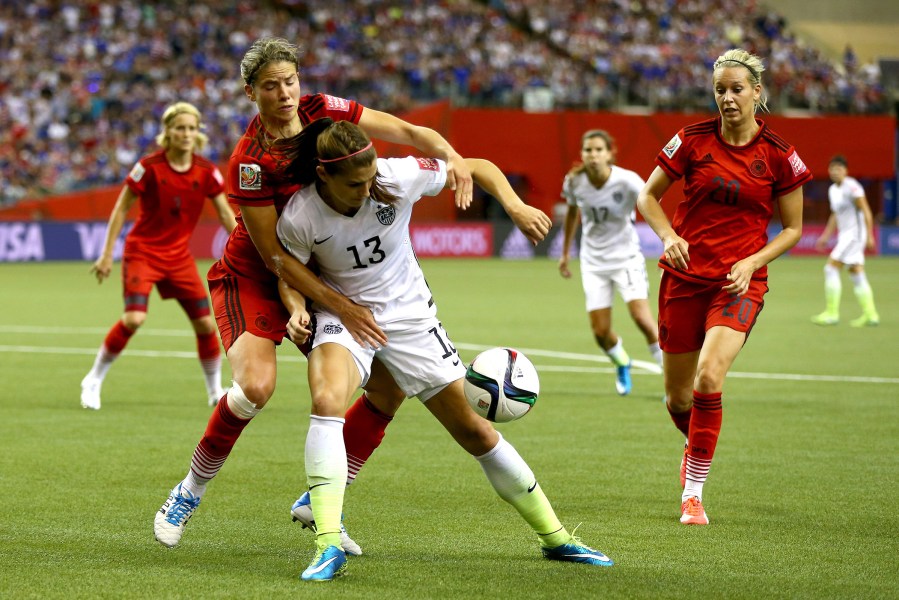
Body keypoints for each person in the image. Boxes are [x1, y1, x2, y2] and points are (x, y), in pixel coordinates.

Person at [153, 37, 474, 555]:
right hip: (257, 276)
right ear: (250, 91)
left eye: (290, 81)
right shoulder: (249, 161)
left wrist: (454, 158)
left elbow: (409, 132)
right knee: (255, 388)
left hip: (318, 275)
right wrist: (332, 306)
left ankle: (324, 501)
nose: (284, 93)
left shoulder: (322, 110)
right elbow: (275, 258)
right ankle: (189, 491)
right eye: (270, 86)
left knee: (389, 387)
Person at [274, 118, 613, 581]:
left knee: (475, 431)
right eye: (355, 184)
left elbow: (477, 166)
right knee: (327, 399)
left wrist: (514, 206)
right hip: (344, 316)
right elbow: (289, 274)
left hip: (412, 318)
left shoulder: (398, 176)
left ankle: (556, 538)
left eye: (371, 178)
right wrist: (297, 309)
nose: (367, 190)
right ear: (323, 174)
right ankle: (328, 543)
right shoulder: (300, 215)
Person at [635, 49, 810, 526]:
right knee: (678, 399)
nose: (728, 98)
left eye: (737, 89)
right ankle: (694, 448)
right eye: (720, 90)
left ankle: (692, 494)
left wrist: (752, 262)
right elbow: (647, 197)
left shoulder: (779, 155)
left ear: (757, 92)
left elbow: (793, 229)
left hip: (737, 285)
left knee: (709, 379)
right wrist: (668, 237)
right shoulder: (692, 140)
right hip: (683, 279)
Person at [80, 101, 237, 410]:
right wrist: (106, 254)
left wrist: (250, 250)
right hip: (143, 252)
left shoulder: (207, 172)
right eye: (180, 128)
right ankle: (93, 379)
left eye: (191, 128)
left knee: (206, 325)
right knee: (134, 318)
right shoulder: (148, 167)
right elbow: (121, 209)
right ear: (167, 131)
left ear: (198, 132)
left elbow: (225, 215)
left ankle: (214, 391)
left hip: (178, 258)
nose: (186, 134)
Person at [558, 129, 663, 396]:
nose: (593, 155)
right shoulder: (574, 181)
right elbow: (571, 213)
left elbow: (652, 202)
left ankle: (672, 382)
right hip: (593, 263)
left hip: (626, 259)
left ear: (609, 154)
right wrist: (565, 252)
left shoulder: (627, 181)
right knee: (601, 333)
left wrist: (667, 241)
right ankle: (622, 362)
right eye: (588, 150)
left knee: (642, 319)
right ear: (582, 154)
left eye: (598, 150)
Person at [811, 155, 879, 327]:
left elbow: (866, 210)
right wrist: (826, 236)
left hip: (855, 235)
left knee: (830, 268)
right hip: (846, 236)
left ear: (846, 171)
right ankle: (871, 314)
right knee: (856, 271)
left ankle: (832, 313)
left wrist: (870, 235)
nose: (835, 172)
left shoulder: (852, 187)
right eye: (832, 169)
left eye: (839, 169)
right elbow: (835, 215)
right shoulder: (833, 190)